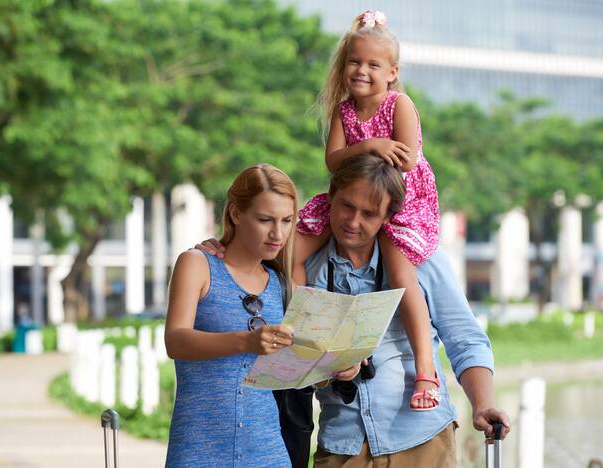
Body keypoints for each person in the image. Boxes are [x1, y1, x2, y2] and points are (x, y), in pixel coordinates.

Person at [199, 154, 511, 466]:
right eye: (347, 206)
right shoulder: (298, 265)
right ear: (330, 197)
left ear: (388, 216)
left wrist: (483, 404)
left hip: (422, 439)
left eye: (369, 214)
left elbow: (466, 340)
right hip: (341, 444)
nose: (353, 222)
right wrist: (218, 250)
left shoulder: (424, 261)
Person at [295, 9, 441, 412]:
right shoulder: (343, 111)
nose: (361, 71)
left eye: (373, 65)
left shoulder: (400, 104)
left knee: (398, 271)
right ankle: (306, 338)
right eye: (354, 63)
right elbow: (333, 160)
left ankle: (426, 369)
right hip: (352, 190)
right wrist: (369, 147)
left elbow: (407, 160)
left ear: (392, 72)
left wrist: (375, 151)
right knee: (294, 253)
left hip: (398, 199)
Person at [163, 163, 298, 467]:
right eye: (265, 220)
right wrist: (246, 342)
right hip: (199, 449)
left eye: (287, 220)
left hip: (268, 452)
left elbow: (287, 369)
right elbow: (175, 341)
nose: (278, 233)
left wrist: (335, 368)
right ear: (236, 214)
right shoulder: (197, 264)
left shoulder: (280, 284)